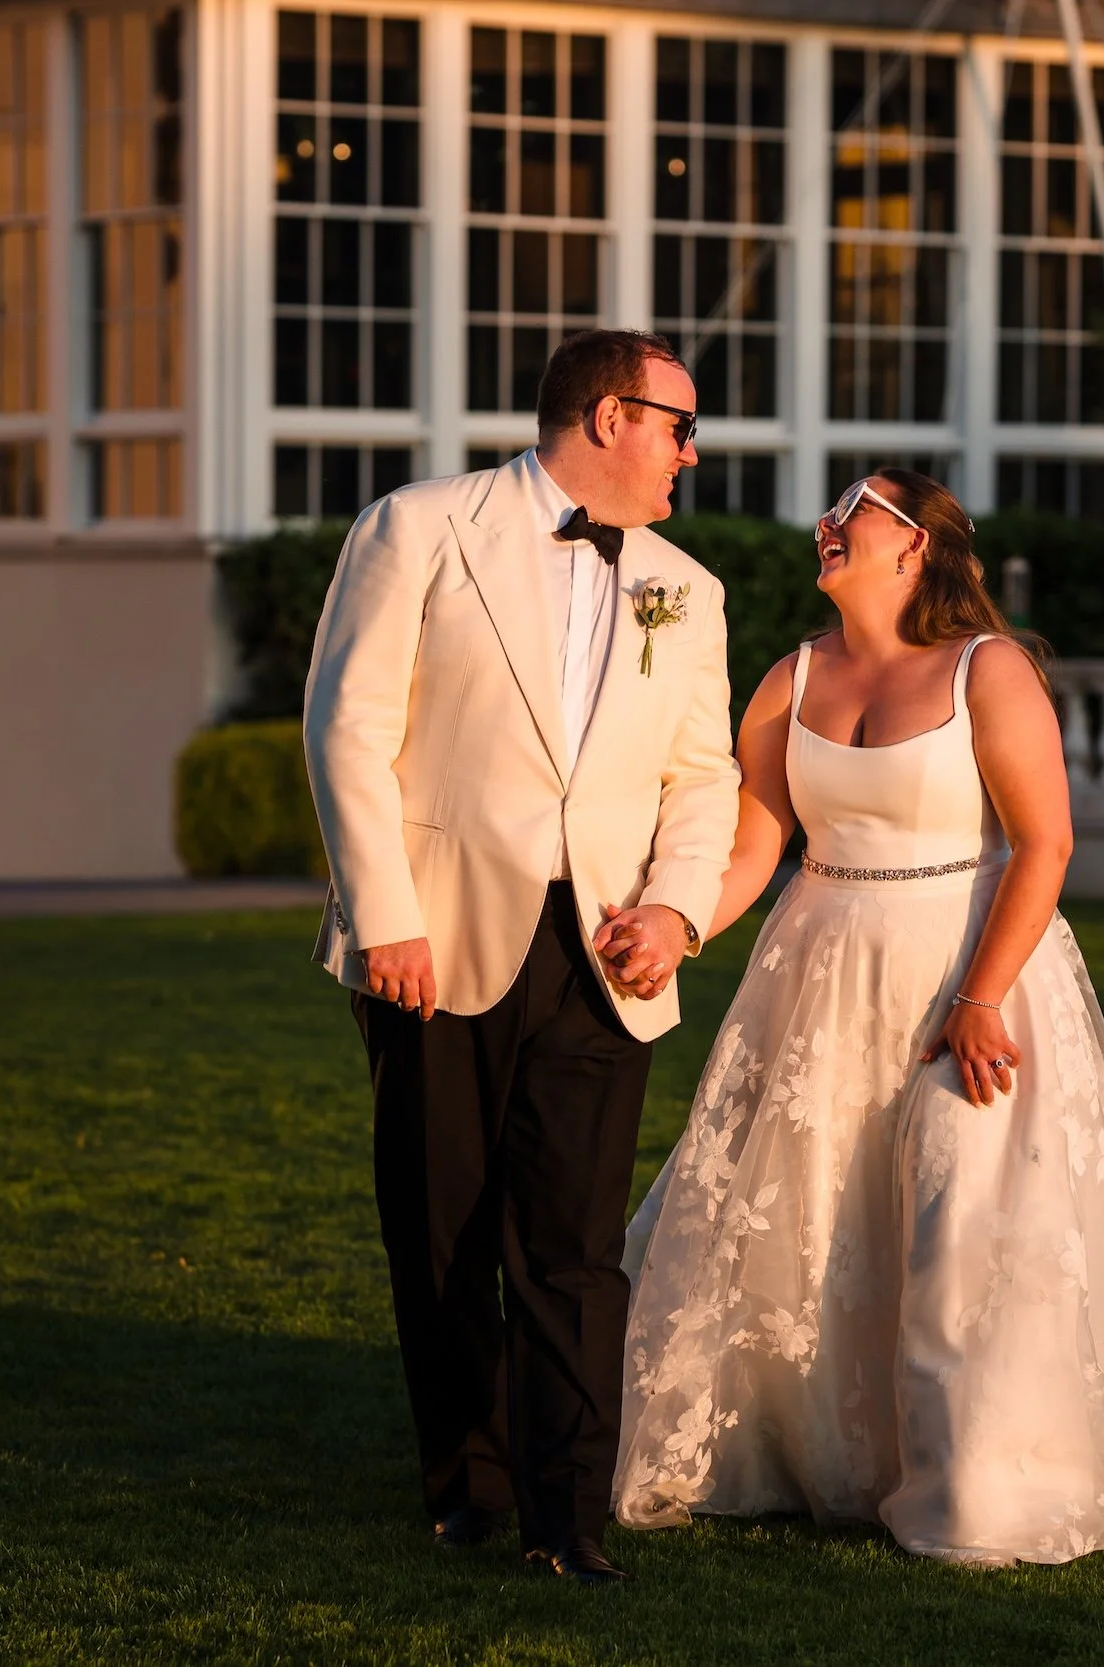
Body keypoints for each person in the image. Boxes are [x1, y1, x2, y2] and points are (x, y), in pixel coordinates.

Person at [613, 470, 1104, 1568]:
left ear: (917, 547)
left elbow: (1046, 842)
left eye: (858, 512)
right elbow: (752, 844)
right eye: (832, 513)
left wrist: (978, 996)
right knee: (809, 1215)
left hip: (971, 975)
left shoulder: (990, 668)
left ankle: (975, 1483)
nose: (829, 526)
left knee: (960, 1217)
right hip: (819, 976)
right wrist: (676, 925)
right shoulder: (789, 680)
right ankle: (818, 1450)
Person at [302, 329, 740, 1585]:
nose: (688, 453)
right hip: (431, 938)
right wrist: (384, 914)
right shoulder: (417, 527)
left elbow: (700, 777)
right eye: (676, 424)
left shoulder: (686, 588)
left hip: (606, 955)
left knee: (574, 1244)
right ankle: (468, 1477)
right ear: (607, 418)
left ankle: (569, 1517)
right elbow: (347, 727)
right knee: (440, 1229)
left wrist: (674, 912)